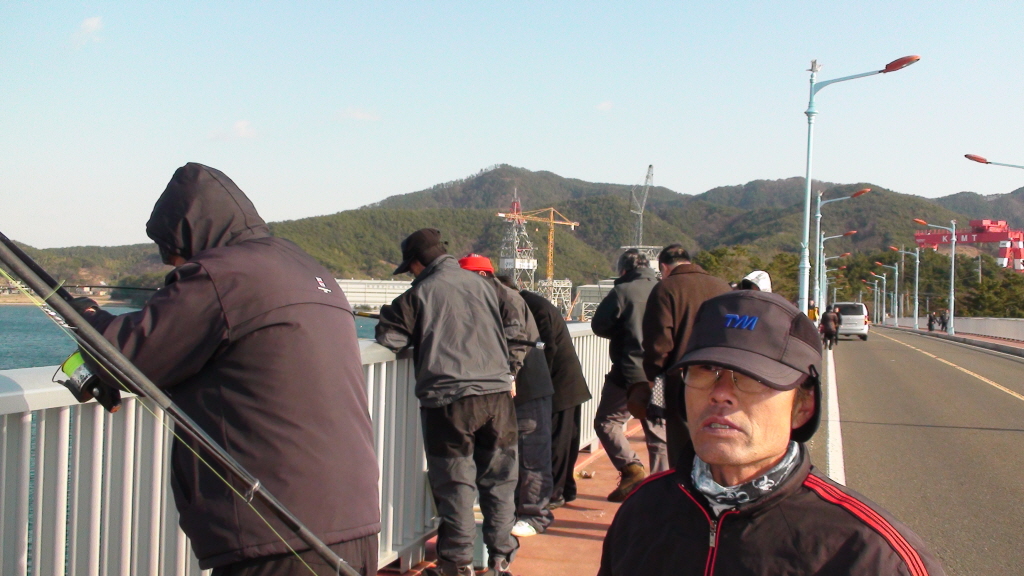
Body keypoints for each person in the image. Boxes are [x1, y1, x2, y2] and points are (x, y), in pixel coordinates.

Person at [71, 163, 381, 576]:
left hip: (278, 532)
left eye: (173, 258)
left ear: (187, 238)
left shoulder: (223, 273)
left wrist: (86, 315)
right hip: (352, 519)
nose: (175, 270)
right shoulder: (307, 268)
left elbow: (126, 355)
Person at [599, 291, 946, 576]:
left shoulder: (872, 555)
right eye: (706, 369)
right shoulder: (643, 509)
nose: (721, 393)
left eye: (752, 376)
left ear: (803, 406)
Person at [376, 232, 518, 576]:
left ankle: (457, 563)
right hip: (498, 397)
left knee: (455, 485)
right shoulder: (488, 285)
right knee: (500, 482)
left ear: (416, 263)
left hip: (449, 401)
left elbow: (391, 338)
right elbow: (517, 324)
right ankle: (501, 561)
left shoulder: (418, 294)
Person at [459, 255, 555, 538]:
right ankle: (512, 512)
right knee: (506, 453)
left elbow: (515, 338)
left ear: (480, 276)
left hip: (527, 387)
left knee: (532, 453)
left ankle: (535, 515)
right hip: (503, 391)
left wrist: (509, 374)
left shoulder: (506, 297)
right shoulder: (485, 298)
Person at [639, 244, 731, 468]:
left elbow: (659, 344)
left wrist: (652, 377)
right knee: (719, 440)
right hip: (724, 379)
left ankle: (686, 488)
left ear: (664, 267)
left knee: (683, 449)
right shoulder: (723, 287)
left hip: (682, 380)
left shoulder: (666, 289)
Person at [592, 249, 669, 501]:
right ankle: (660, 492)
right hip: (660, 373)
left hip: (628, 372)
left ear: (624, 270)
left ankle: (631, 468)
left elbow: (599, 325)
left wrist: (623, 332)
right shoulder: (665, 290)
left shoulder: (623, 291)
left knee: (607, 422)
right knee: (657, 431)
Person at [510, 278, 592, 511]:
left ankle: (553, 494)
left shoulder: (533, 309)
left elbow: (545, 348)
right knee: (564, 441)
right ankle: (564, 490)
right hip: (565, 384)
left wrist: (530, 383)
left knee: (556, 443)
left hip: (558, 386)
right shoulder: (534, 304)